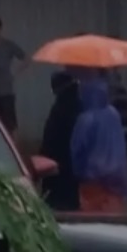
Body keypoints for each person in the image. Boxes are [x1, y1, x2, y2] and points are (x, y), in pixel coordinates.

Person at [70, 79, 127, 212]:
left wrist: (78, 174)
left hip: (93, 182)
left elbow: (77, 153)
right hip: (117, 181)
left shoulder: (85, 119)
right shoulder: (114, 114)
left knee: (93, 223)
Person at [39, 71, 82, 211]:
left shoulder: (60, 110)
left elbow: (50, 142)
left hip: (58, 173)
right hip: (75, 174)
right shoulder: (79, 105)